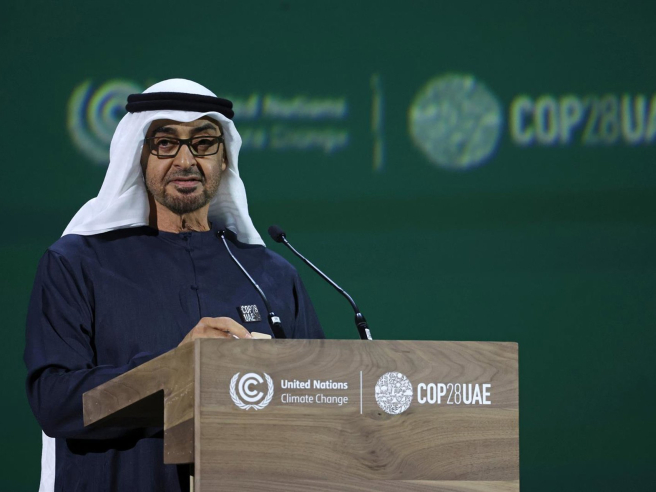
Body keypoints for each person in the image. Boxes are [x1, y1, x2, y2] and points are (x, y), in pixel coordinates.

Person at [24, 79, 324, 492]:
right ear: (139, 155)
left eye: (203, 143)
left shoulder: (270, 274)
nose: (186, 160)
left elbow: (319, 398)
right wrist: (176, 368)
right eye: (165, 143)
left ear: (224, 158)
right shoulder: (77, 264)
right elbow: (55, 403)